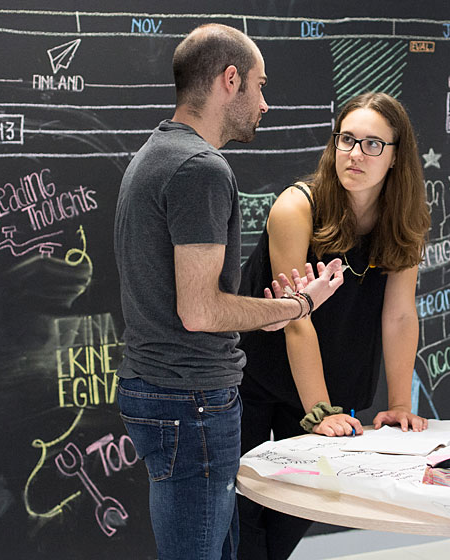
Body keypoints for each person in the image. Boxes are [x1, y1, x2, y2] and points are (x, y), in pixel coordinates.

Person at [113, 24, 344, 560]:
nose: (265, 104)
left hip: (161, 390)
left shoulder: (157, 153)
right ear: (230, 79)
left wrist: (267, 311)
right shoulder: (201, 169)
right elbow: (199, 310)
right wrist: (298, 305)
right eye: (260, 87)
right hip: (190, 401)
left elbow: (192, 301)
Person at [236, 92, 431, 560]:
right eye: (347, 140)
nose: (355, 154)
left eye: (372, 144)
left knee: (288, 523)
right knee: (239, 522)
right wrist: (319, 413)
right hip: (255, 377)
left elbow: (400, 314)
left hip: (333, 380)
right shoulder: (296, 207)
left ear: (396, 156)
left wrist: (400, 403)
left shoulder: (404, 221)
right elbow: (294, 316)